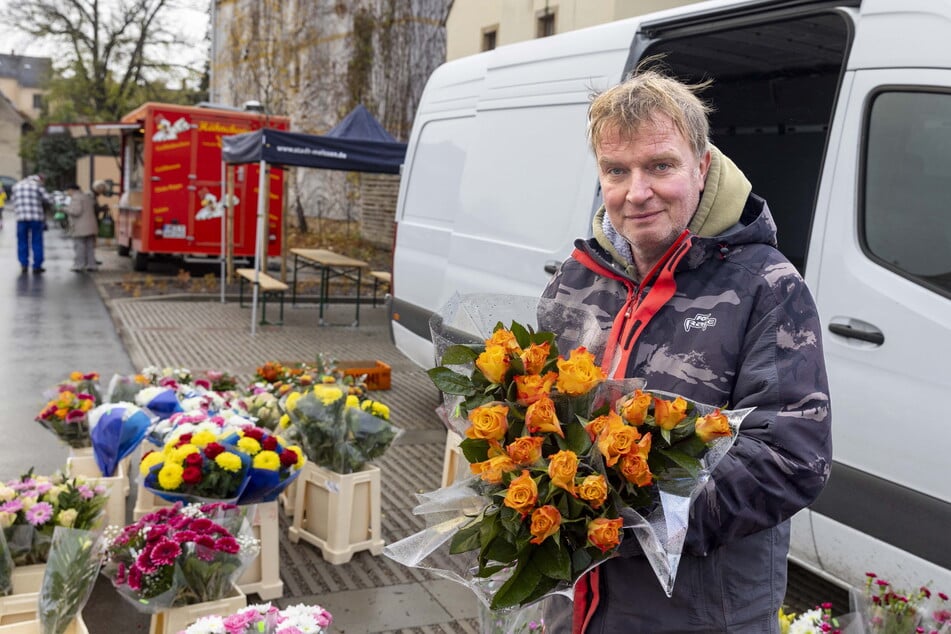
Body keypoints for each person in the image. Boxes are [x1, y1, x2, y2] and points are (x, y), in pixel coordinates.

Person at [541, 68, 832, 633]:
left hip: (698, 615)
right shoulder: (576, 281)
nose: (637, 191)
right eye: (616, 171)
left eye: (661, 166)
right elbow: (538, 416)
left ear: (701, 166)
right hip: (580, 609)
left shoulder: (766, 286)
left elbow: (792, 456)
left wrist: (622, 514)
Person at [11, 173, 52, 274]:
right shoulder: (37, 186)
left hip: (21, 218)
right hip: (36, 218)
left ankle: (24, 264)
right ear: (40, 179)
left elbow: (13, 201)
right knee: (37, 241)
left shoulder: (16, 186)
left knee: (22, 242)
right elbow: (48, 199)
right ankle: (36, 266)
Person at [65, 183, 99, 272]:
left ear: (71, 190)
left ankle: (78, 265)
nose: (67, 193)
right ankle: (91, 265)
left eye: (67, 191)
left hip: (81, 227)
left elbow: (76, 211)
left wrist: (65, 209)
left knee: (79, 246)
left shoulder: (76, 198)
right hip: (91, 226)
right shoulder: (87, 196)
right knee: (90, 247)